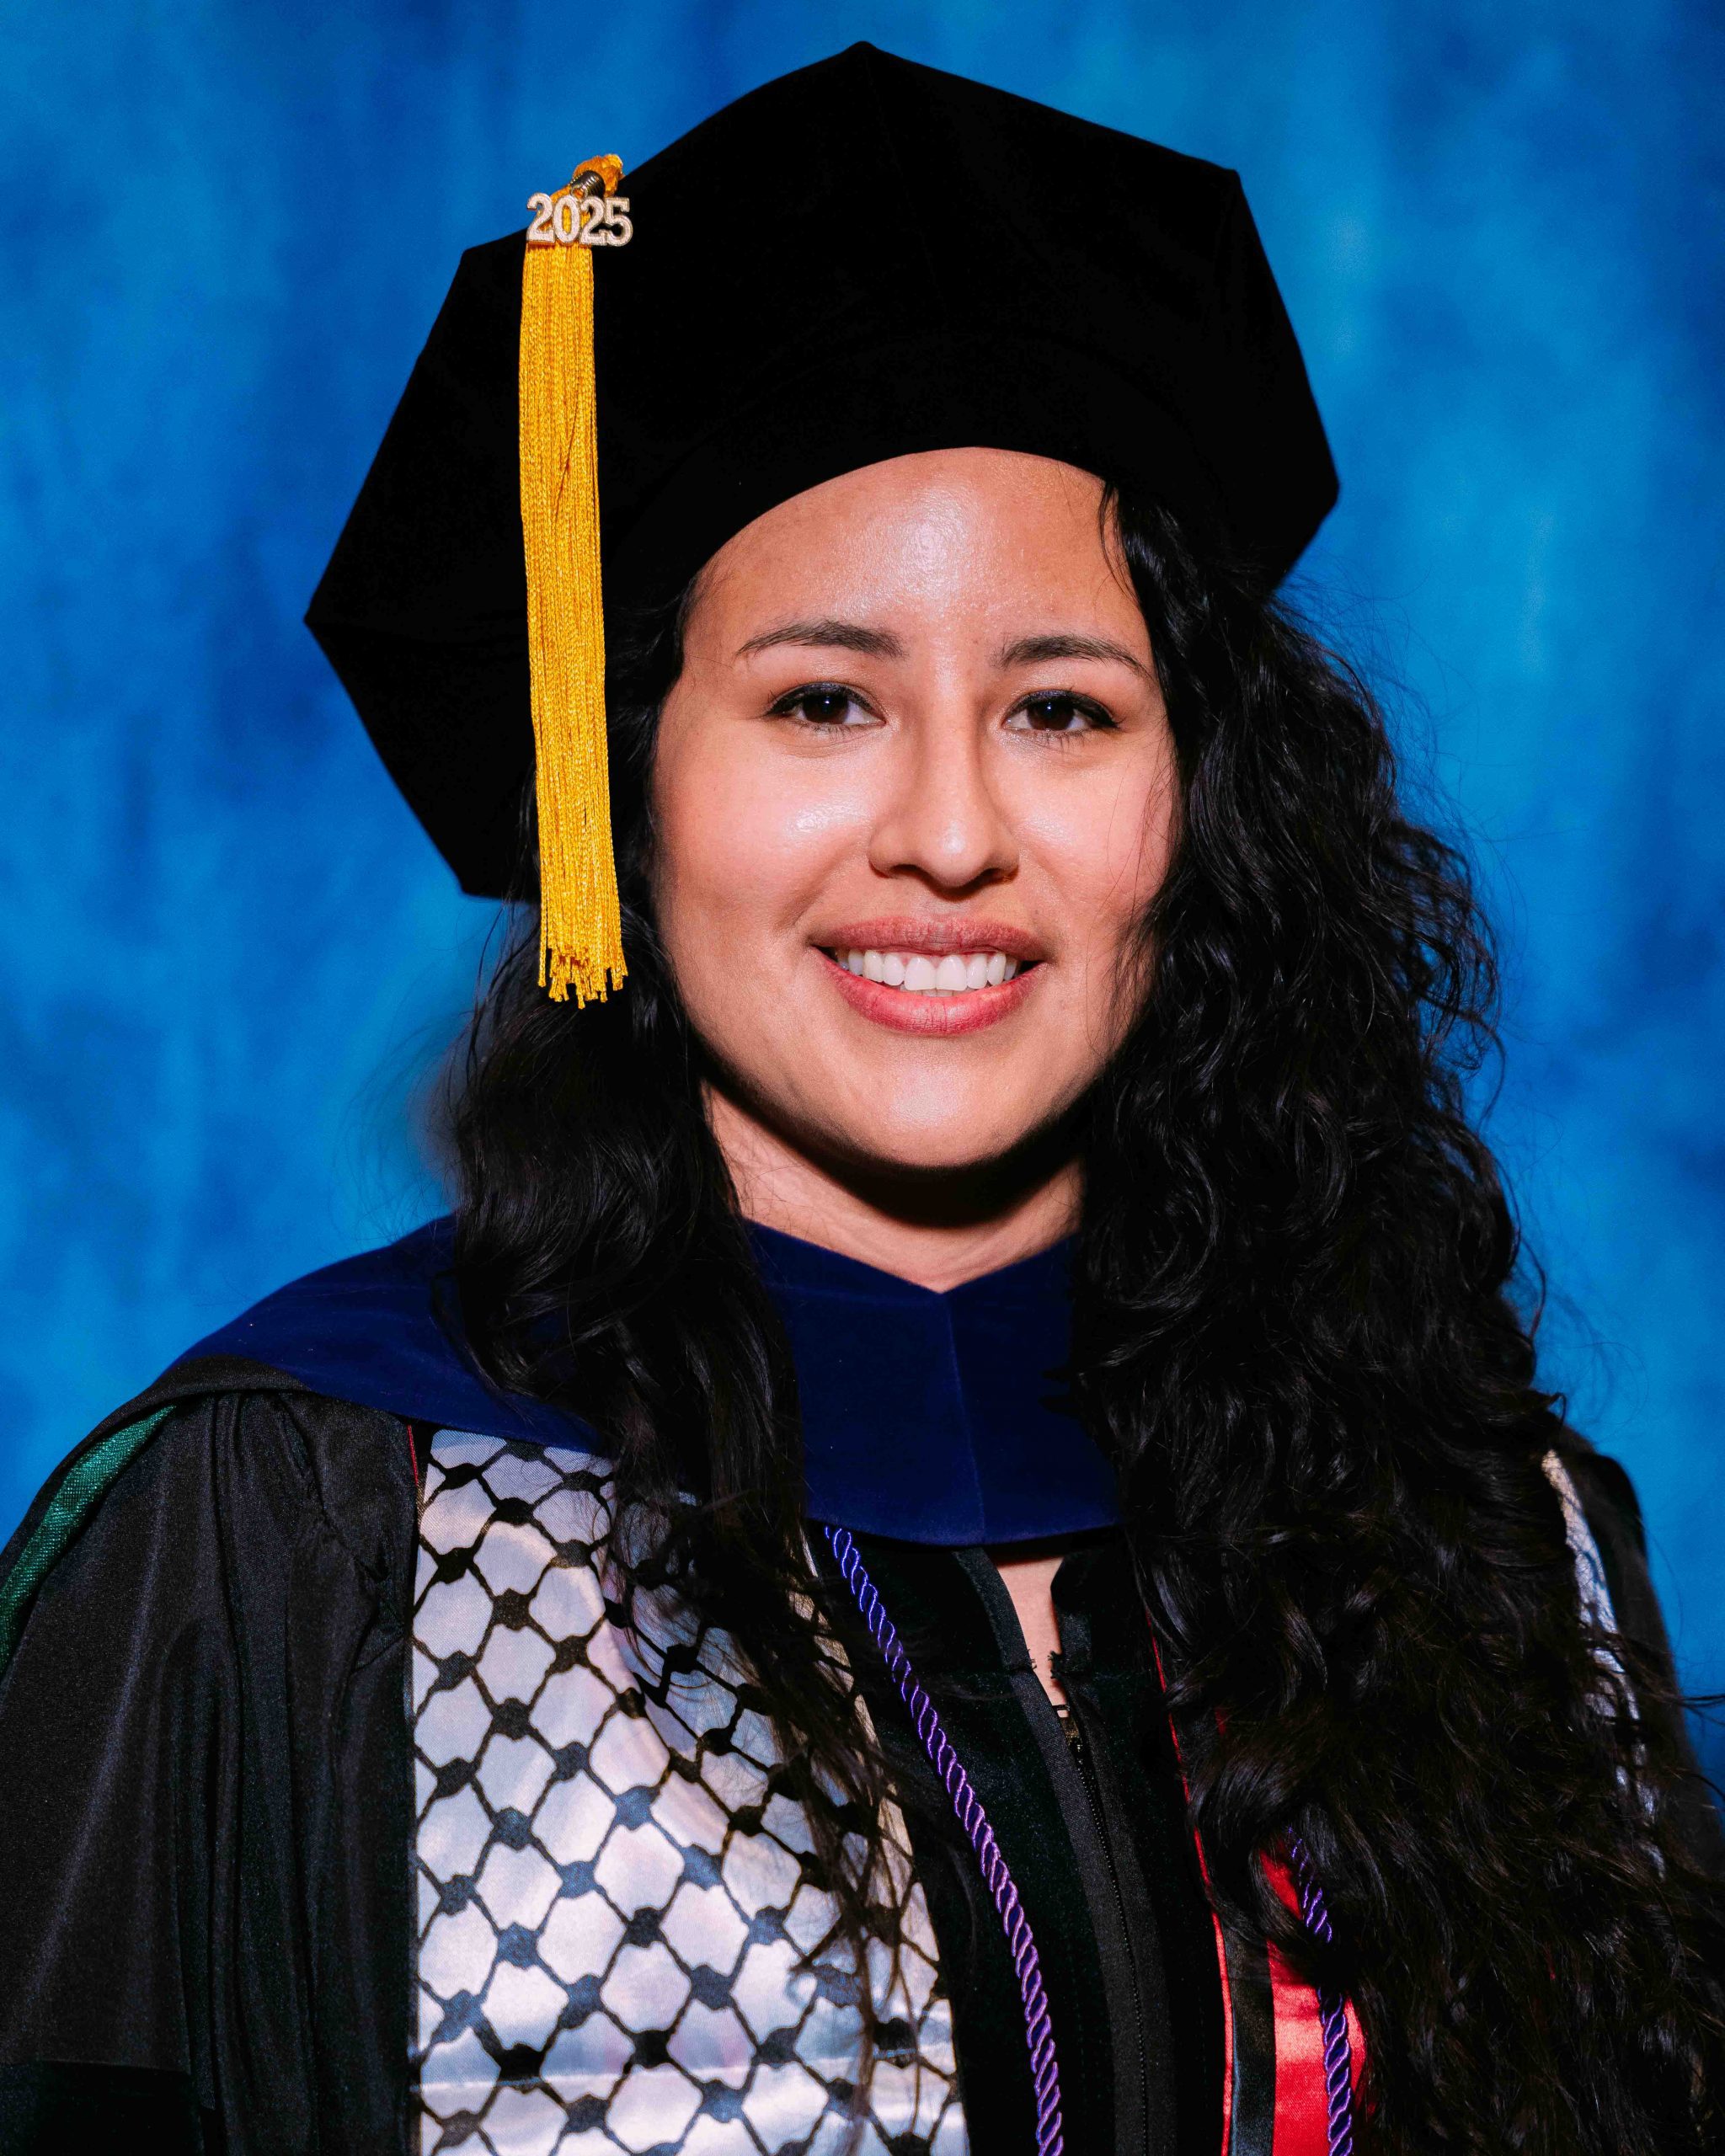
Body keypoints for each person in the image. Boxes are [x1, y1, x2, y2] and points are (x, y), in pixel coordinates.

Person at [0, 39, 1720, 2156]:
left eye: (1063, 708)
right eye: (822, 697)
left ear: (1203, 799)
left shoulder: (1479, 1543)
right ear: (623, 783)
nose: (948, 832)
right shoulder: (284, 1540)